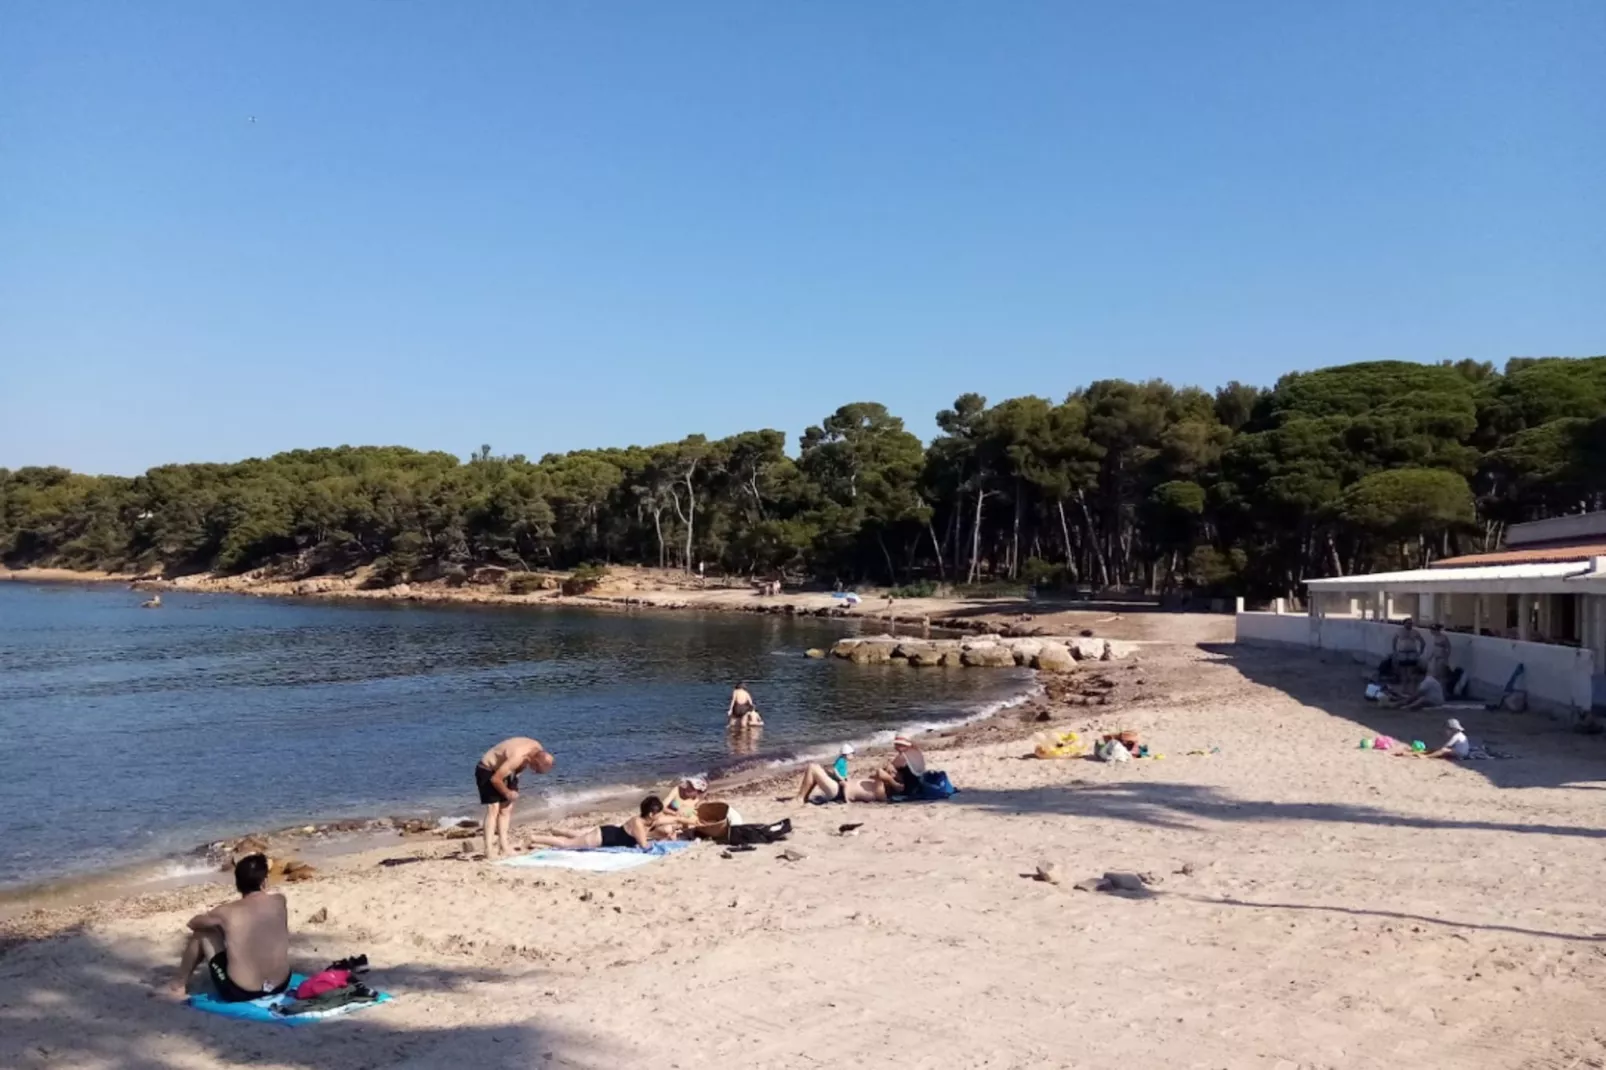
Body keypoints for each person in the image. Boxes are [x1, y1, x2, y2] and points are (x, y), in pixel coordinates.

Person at [167, 853, 289, 1001]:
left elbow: (192, 924)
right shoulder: (279, 901)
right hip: (281, 984)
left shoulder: (225, 912)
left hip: (242, 992)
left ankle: (178, 985)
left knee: (203, 932)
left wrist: (218, 924)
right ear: (264, 882)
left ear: (237, 884)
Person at [475, 737, 556, 860]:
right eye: (535, 769)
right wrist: (507, 792)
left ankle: (504, 847)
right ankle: (489, 850)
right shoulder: (517, 757)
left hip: (504, 770)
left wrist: (514, 785)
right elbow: (495, 779)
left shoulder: (537, 748)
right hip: (487, 770)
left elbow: (520, 767)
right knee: (494, 808)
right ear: (532, 760)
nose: (533, 772)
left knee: (506, 809)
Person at [524, 796, 668, 850]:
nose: (661, 816)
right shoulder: (638, 823)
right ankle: (535, 838)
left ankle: (556, 830)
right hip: (602, 837)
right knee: (566, 844)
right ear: (651, 814)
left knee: (575, 837)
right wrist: (659, 842)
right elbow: (644, 846)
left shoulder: (641, 822)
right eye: (659, 813)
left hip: (606, 833)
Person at [786, 763, 889, 804]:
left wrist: (894, 783)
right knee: (818, 769)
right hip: (840, 785)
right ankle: (804, 797)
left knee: (812, 768)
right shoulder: (879, 784)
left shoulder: (881, 790)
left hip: (839, 792)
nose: (889, 771)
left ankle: (799, 798)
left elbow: (880, 772)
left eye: (892, 773)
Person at [1403, 718, 1471, 760]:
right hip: (1459, 751)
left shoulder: (1456, 736)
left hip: (1461, 754)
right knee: (1439, 749)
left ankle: (1426, 756)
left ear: (1452, 729)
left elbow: (1446, 746)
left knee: (1443, 750)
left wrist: (1438, 749)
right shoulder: (1459, 735)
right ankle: (1417, 753)